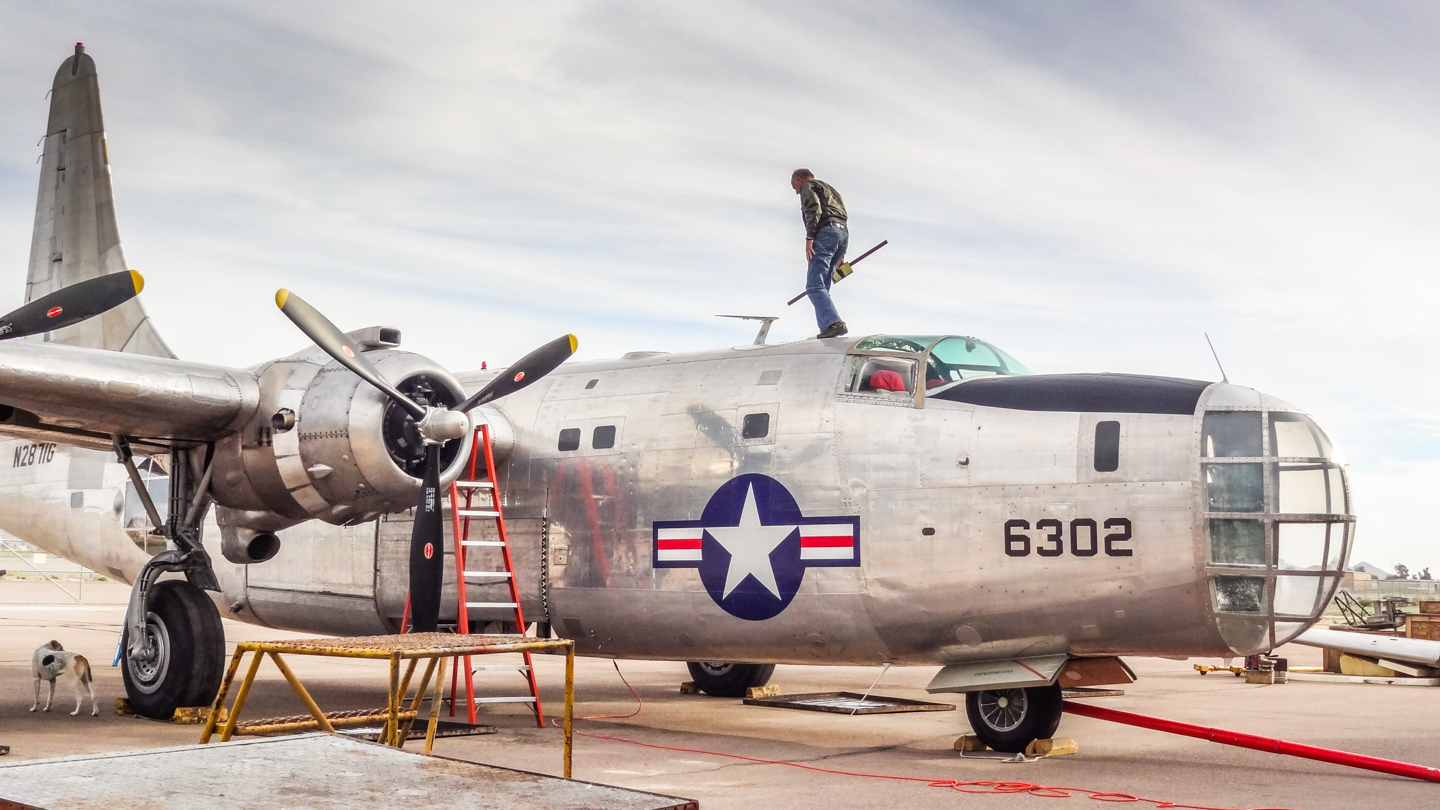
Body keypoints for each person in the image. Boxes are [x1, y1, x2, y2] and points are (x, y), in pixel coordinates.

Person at [791, 169, 849, 338]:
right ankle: (828, 329)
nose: (796, 192)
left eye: (795, 186)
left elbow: (813, 209)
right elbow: (842, 216)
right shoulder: (831, 190)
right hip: (842, 234)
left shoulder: (808, 186)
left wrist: (809, 238)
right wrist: (841, 253)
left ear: (799, 179)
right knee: (822, 287)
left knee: (813, 286)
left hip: (826, 233)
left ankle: (833, 323)